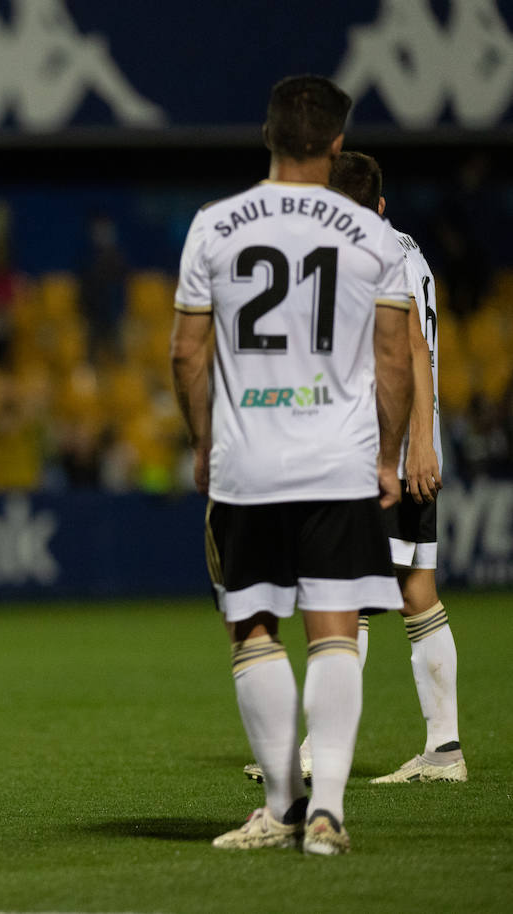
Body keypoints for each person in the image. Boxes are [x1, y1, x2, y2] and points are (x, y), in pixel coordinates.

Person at [170, 76, 413, 855]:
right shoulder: (375, 238)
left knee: (254, 631)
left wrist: (204, 442)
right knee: (335, 629)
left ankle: (280, 805)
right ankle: (328, 811)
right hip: (339, 462)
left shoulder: (213, 226)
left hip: (250, 464)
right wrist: (386, 454)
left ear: (267, 136)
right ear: (338, 144)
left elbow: (185, 352)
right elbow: (393, 360)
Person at [244, 152, 466, 787]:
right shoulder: (406, 248)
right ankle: (444, 750)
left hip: (381, 454)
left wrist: (414, 443)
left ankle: (317, 751)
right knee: (415, 592)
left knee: (346, 597)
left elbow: (413, 351)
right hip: (400, 447)